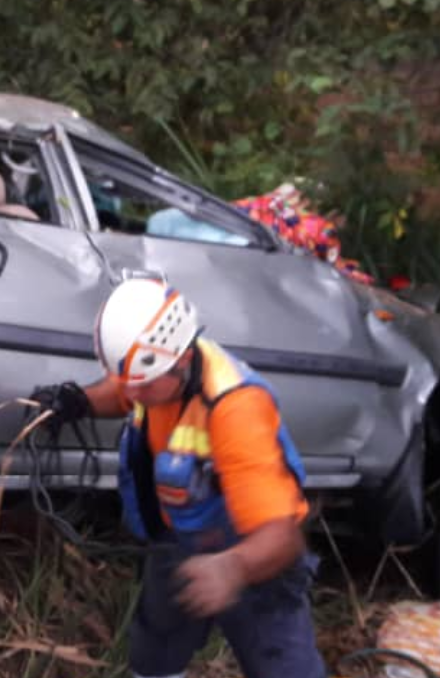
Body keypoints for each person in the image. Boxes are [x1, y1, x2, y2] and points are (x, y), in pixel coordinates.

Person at [30, 279, 326, 678]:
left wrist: (231, 569)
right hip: (178, 542)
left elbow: (282, 538)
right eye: (128, 382)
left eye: (143, 384)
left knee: (283, 668)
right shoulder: (154, 375)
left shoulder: (235, 408)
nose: (133, 394)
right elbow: (123, 391)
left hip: (253, 557)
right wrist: (77, 401)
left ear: (183, 359)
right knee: (154, 656)